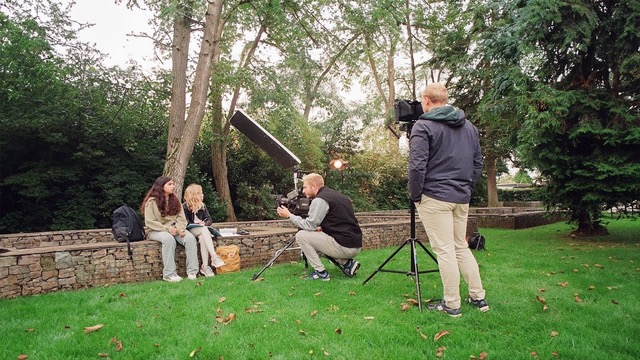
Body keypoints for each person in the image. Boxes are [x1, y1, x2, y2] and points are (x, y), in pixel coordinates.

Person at [408, 83, 489, 317]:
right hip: (460, 197)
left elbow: (416, 166)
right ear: (445, 99)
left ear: (426, 100)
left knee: (445, 250)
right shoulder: (470, 127)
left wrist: (416, 195)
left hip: (435, 196)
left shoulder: (423, 126)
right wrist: (465, 187)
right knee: (460, 246)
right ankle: (478, 297)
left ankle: (452, 305)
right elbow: (477, 164)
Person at [276, 173, 362, 281]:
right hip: (355, 244)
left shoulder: (320, 200)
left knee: (301, 236)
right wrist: (322, 227)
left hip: (344, 246)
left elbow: (309, 225)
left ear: (314, 186)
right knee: (314, 237)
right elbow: (338, 220)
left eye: (305, 187)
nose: (303, 191)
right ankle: (347, 263)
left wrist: (289, 215)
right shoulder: (338, 196)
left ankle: (321, 273)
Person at [141, 176, 199, 282]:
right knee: (168, 239)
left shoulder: (175, 200)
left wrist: (181, 229)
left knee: (190, 238)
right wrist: (168, 229)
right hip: (155, 230)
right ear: (161, 186)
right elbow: (149, 222)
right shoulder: (151, 202)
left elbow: (182, 219)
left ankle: (192, 272)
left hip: (175, 229)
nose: (173, 186)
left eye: (173, 184)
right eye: (170, 184)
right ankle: (169, 274)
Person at [183, 184, 225, 277]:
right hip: (190, 231)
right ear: (195, 195)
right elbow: (186, 223)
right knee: (204, 230)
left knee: (203, 237)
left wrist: (204, 223)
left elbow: (209, 220)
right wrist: (199, 225)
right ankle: (214, 256)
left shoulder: (202, 206)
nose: (203, 195)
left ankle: (205, 266)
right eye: (201, 193)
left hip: (202, 231)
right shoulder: (184, 207)